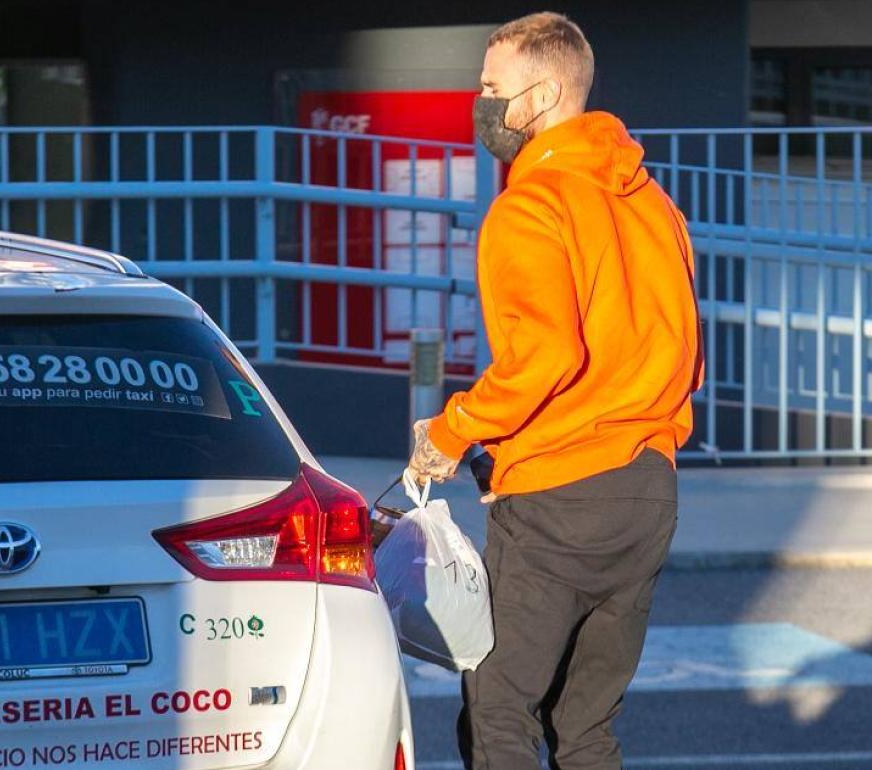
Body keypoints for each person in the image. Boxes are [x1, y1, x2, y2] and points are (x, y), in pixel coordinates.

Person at [406, 11, 703, 770]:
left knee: (500, 715)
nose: (479, 102)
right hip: (648, 490)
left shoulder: (529, 205)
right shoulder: (655, 206)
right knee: (587, 730)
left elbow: (544, 356)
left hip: (558, 501)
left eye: (489, 87)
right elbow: (685, 356)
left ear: (539, 97)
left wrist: (452, 432)